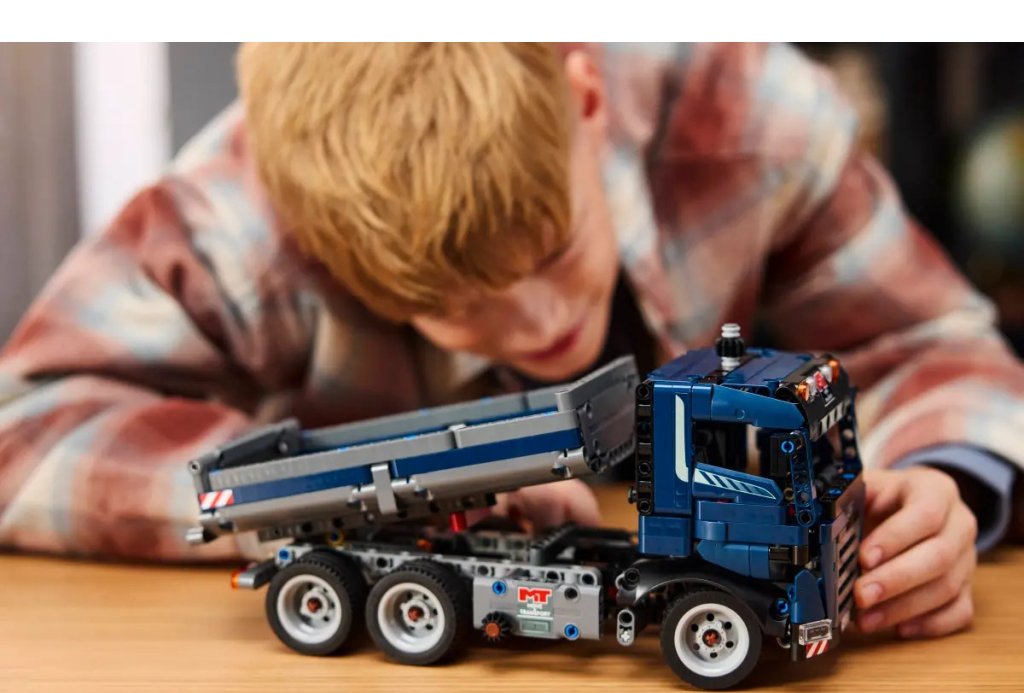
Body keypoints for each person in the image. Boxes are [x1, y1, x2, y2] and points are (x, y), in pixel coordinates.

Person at [1, 43, 1021, 642]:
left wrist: (949, 477)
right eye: (457, 305)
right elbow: (24, 424)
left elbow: (926, 339)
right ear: (320, 250)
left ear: (586, 101)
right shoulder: (238, 220)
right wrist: (309, 505)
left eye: (552, 250)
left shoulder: (753, 114)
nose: (540, 329)